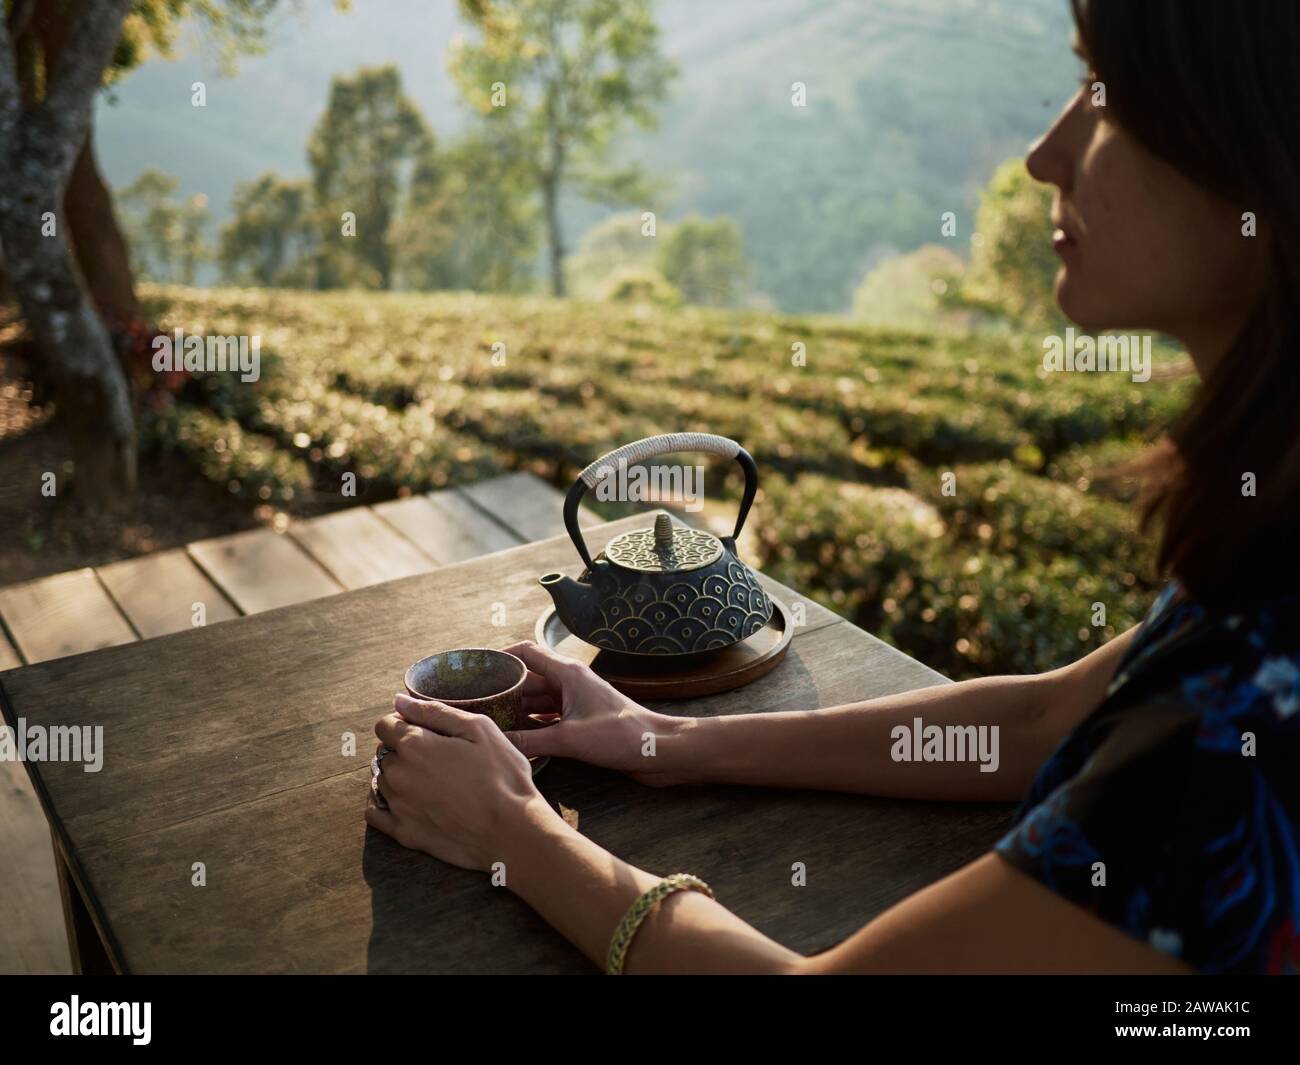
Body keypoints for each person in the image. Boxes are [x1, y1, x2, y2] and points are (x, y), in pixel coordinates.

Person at [366, 0, 1300, 974]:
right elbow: (1033, 725)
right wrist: (661, 743)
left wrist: (516, 836)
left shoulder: (1247, 726)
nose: (1043, 153)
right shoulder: (1261, 568)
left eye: (1108, 98)